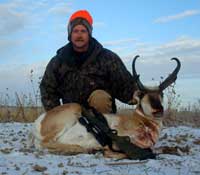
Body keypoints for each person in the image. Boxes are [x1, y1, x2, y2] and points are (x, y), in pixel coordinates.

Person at [40, 10, 138, 113]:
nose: (79, 35)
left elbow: (124, 86)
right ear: (70, 35)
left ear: (89, 34)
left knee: (100, 98)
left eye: (83, 31)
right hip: (72, 115)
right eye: (75, 31)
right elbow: (47, 89)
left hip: (100, 118)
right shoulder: (58, 61)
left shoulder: (107, 57)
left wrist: (141, 95)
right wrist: (56, 113)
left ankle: (104, 126)